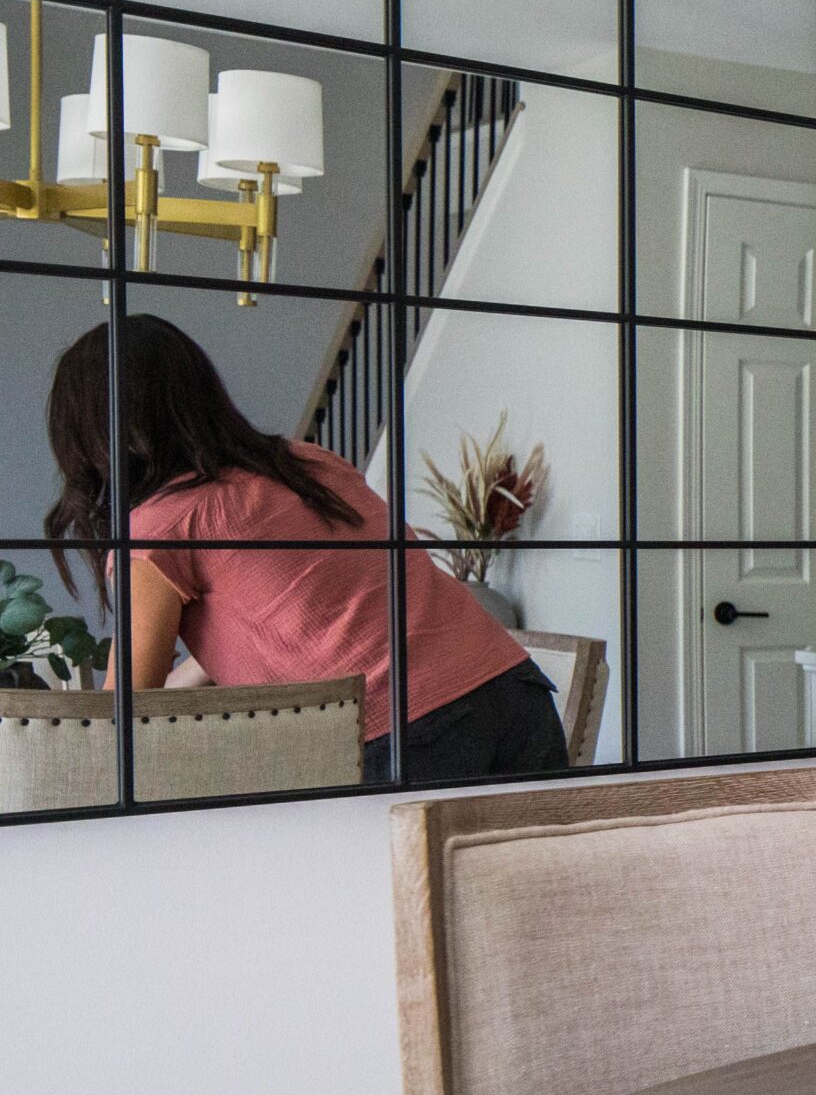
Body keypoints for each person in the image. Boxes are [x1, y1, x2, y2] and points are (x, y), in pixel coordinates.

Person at [42, 316, 568, 784]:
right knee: (535, 891)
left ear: (91, 436)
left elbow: (118, 715)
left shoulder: (156, 529)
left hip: (402, 730)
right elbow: (297, 614)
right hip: (510, 688)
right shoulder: (307, 463)